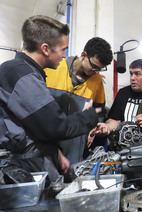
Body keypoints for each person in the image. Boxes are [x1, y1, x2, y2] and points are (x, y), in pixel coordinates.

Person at [0, 15, 100, 182]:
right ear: (45, 49)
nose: (64, 56)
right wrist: (90, 116)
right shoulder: (21, 75)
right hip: (19, 169)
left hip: (30, 162)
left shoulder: (25, 72)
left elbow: (34, 127)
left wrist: (56, 153)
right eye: (63, 49)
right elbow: (55, 127)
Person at [44, 37, 113, 165]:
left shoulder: (96, 82)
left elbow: (99, 113)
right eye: (94, 67)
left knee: (71, 179)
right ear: (83, 55)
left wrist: (94, 128)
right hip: (46, 142)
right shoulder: (52, 69)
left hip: (75, 146)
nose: (96, 72)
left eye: (100, 69)